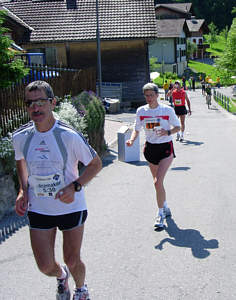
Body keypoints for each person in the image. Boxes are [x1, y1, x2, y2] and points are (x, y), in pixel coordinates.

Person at [12, 80, 102, 300]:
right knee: (44, 266)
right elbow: (20, 162)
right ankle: (62, 276)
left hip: (71, 207)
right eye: (30, 103)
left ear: (52, 103)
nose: (35, 107)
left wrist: (76, 186)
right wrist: (23, 191)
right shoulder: (20, 137)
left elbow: (95, 164)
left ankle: (81, 289)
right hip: (40, 209)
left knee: (73, 259)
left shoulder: (68, 135)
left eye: (41, 102)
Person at [126, 83, 180, 229]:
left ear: (157, 95)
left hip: (165, 149)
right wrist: (131, 140)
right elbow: (136, 129)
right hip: (150, 149)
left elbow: (177, 127)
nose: (149, 98)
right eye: (146, 95)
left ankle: (160, 214)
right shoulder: (141, 111)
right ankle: (165, 205)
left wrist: (167, 132)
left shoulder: (166, 110)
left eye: (151, 95)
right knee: (158, 184)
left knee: (157, 182)